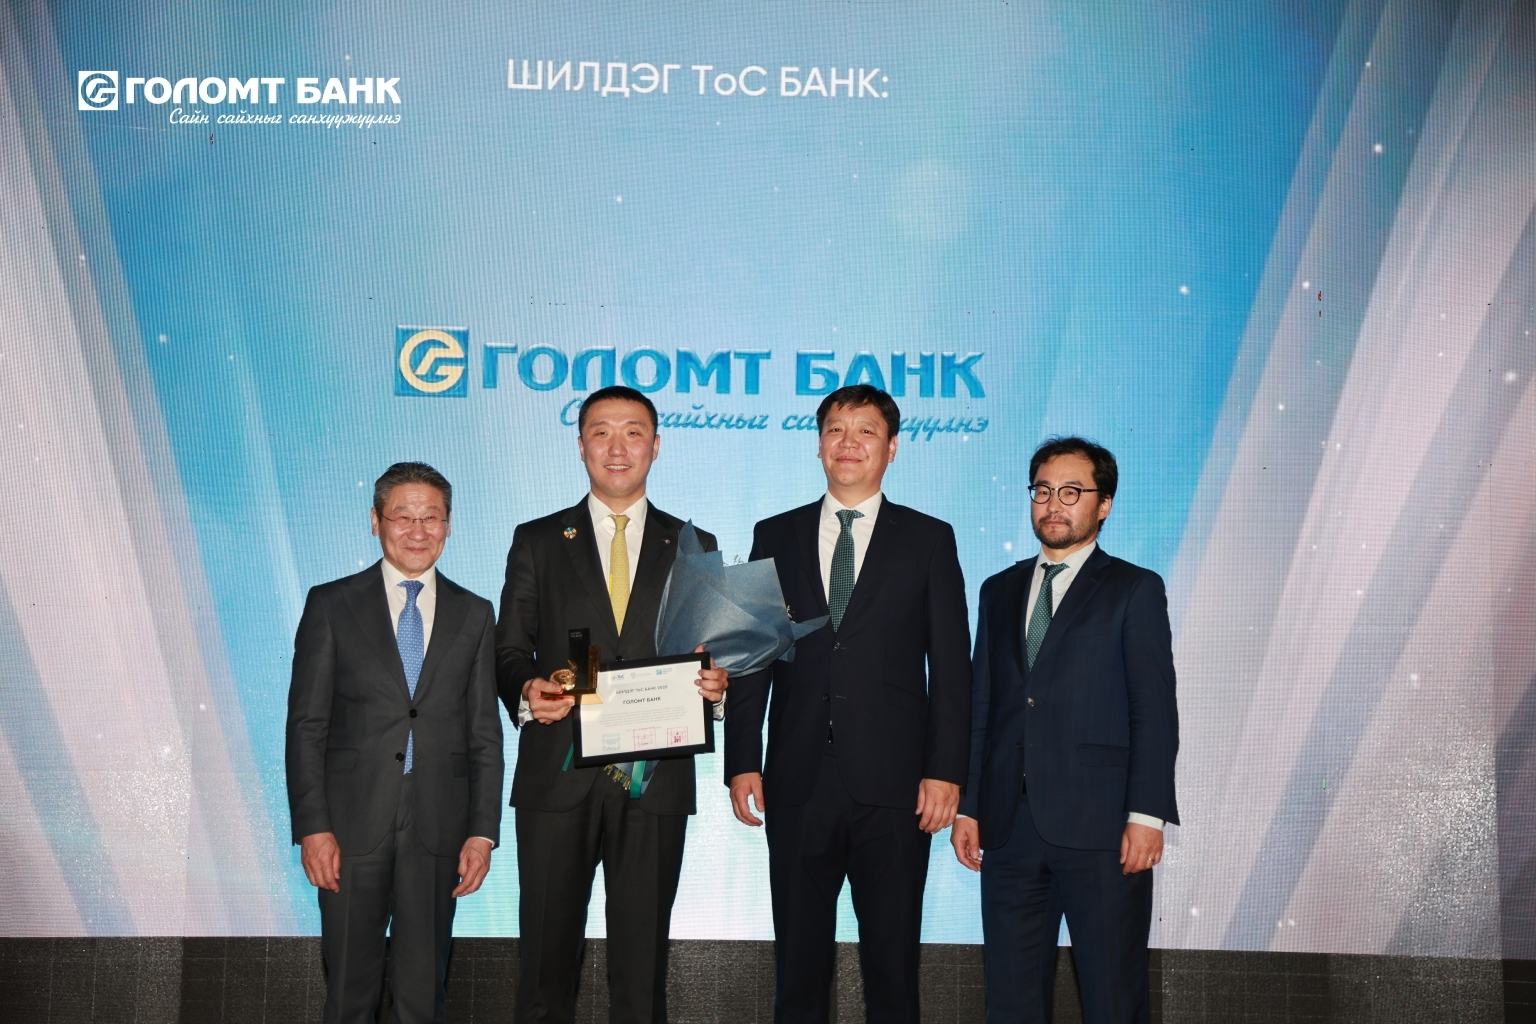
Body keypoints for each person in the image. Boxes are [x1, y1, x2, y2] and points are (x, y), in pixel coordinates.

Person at [725, 384, 971, 1024]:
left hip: (896, 785)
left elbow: (951, 667)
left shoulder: (929, 539)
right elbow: (753, 654)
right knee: (799, 968)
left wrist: (947, 770)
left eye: (866, 431)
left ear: (891, 448)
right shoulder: (774, 533)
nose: (848, 443)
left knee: (892, 967)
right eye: (835, 429)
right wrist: (742, 759)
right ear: (818, 445)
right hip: (798, 778)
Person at [496, 385, 730, 1024]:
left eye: (633, 432)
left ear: (656, 445)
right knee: (544, 969)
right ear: (580, 446)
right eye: (601, 432)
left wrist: (716, 689)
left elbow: (709, 653)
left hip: (655, 778)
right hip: (557, 774)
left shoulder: (694, 543)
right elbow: (509, 649)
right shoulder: (538, 540)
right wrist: (526, 690)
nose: (617, 446)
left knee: (642, 971)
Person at [951, 437, 1179, 1024]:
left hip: (1103, 827)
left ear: (1104, 504)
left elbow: (1154, 709)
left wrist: (1147, 814)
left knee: (1112, 998)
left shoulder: (1134, 588)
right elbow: (983, 705)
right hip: (1008, 826)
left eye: (1072, 492)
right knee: (1010, 1000)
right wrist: (969, 806)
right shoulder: (998, 590)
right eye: (1043, 490)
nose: (1054, 504)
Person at [287, 462, 504, 1024]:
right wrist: (312, 827)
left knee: (423, 997)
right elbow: (306, 726)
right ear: (376, 521)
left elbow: (484, 733)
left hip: (439, 827)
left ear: (449, 525)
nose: (417, 530)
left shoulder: (475, 613)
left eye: (431, 517)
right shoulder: (331, 604)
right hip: (349, 828)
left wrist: (482, 832)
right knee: (348, 994)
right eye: (403, 516)